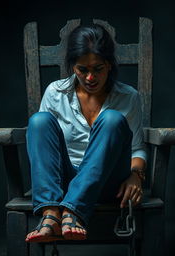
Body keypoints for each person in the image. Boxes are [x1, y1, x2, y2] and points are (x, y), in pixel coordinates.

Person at [25, 23, 147, 243]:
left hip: (107, 182)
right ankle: (51, 215)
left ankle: (73, 212)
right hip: (64, 183)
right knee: (39, 121)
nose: (90, 78)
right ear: (73, 67)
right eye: (83, 69)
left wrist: (136, 175)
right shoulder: (55, 93)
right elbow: (45, 148)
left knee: (112, 119)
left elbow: (137, 148)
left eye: (98, 68)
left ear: (109, 65)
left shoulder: (128, 97)